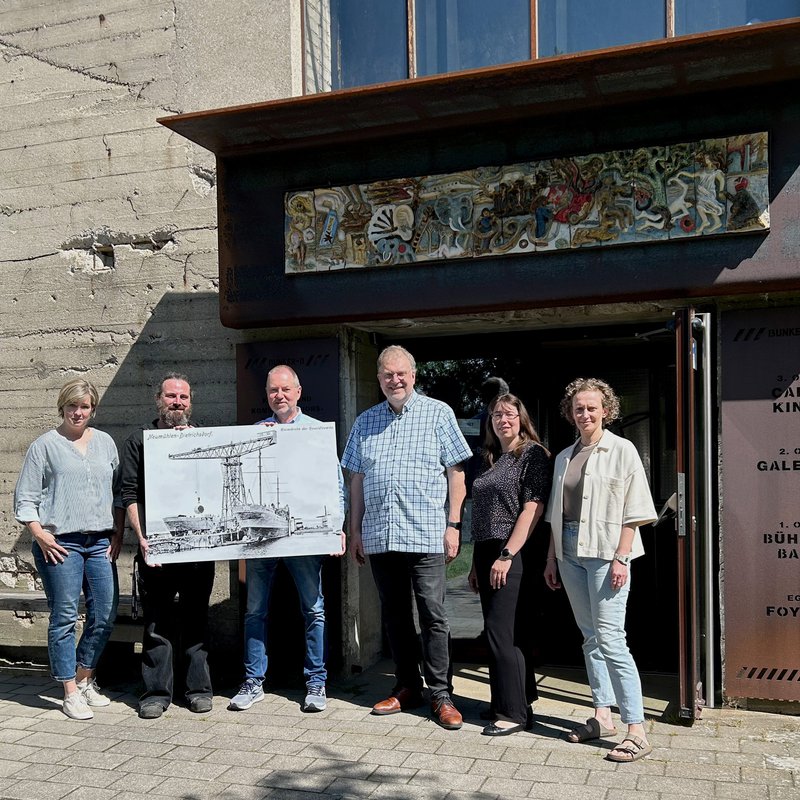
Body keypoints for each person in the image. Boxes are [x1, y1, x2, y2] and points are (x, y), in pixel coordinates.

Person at [342, 345, 472, 730]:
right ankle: (406, 687)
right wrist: (355, 530)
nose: (394, 380)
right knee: (394, 616)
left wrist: (453, 525)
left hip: (427, 533)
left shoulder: (438, 413)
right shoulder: (365, 422)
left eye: (401, 374)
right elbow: (357, 480)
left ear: (413, 375)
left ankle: (440, 694)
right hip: (382, 535)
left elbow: (456, 475)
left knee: (433, 615)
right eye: (387, 375)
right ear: (379, 379)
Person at [544, 377, 657, 762]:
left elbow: (636, 508)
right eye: (579, 408)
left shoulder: (622, 450)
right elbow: (556, 514)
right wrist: (551, 558)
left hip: (607, 553)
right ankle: (601, 715)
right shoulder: (563, 456)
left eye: (593, 407)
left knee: (611, 638)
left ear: (606, 410)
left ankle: (637, 729)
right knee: (590, 636)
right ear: (570, 413)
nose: (586, 413)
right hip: (569, 551)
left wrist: (622, 556)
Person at [229, 365, 345, 714]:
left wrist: (338, 528)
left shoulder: (315, 432)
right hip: (260, 538)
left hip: (302, 539)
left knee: (313, 609)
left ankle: (316, 682)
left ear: (298, 391)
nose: (279, 396)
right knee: (254, 610)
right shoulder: (254, 432)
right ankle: (253, 681)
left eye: (285, 389)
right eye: (272, 391)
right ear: (266, 395)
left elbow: (335, 482)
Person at [14, 379, 124, 720]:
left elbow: (119, 493)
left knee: (105, 613)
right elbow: (26, 498)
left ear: (93, 408)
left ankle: (84, 678)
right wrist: (40, 535)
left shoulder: (105, 443)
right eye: (72, 406)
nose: (78, 412)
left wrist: (118, 533)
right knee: (63, 616)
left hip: (100, 542)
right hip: (60, 544)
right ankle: (70, 691)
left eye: (85, 406)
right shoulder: (45, 446)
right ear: (62, 407)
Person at [121, 373, 215, 719]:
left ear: (191, 402)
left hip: (197, 550)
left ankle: (198, 690)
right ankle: (156, 694)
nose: (178, 402)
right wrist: (143, 539)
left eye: (184, 397)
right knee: (157, 624)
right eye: (171, 396)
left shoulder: (203, 437)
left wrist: (194, 445)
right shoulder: (138, 442)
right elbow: (128, 493)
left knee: (196, 620)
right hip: (156, 549)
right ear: (158, 400)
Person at [467, 393, 551, 736]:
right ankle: (514, 697)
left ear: (521, 419)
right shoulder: (489, 458)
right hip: (487, 551)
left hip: (512, 552)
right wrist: (476, 563)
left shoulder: (532, 455)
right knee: (502, 630)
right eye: (496, 415)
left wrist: (507, 554)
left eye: (510, 415)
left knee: (502, 632)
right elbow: (481, 515)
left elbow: (533, 508)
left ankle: (513, 713)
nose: (503, 420)